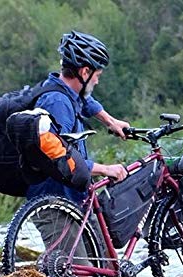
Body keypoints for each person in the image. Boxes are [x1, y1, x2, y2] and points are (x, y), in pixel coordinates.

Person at [26, 31, 129, 202]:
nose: (97, 81)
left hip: (72, 198)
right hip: (57, 203)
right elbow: (59, 160)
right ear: (85, 72)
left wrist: (111, 122)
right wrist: (105, 169)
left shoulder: (64, 91)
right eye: (97, 75)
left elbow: (85, 101)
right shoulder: (57, 103)